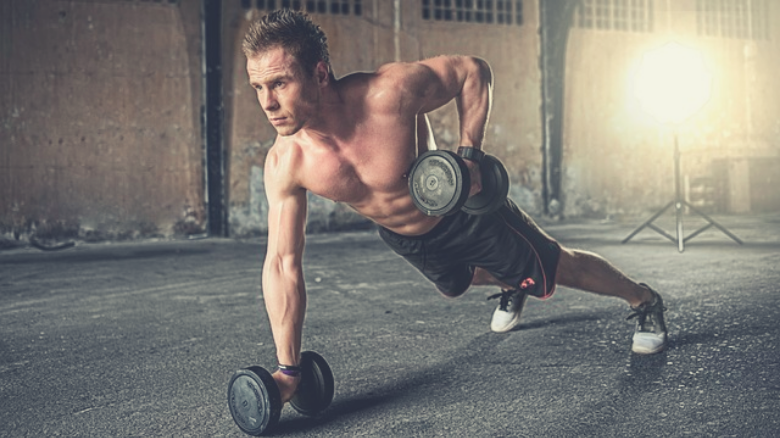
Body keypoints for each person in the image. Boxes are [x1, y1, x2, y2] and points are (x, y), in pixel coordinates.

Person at [242, 9, 668, 403]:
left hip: (461, 214)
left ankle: (643, 300)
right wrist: (287, 368)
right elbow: (282, 264)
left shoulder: (388, 94)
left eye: (279, 83)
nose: (267, 103)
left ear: (319, 73)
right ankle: (509, 284)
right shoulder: (286, 163)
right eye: (258, 87)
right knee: (457, 283)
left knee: (554, 266)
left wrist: (470, 156)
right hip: (405, 238)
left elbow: (472, 72)